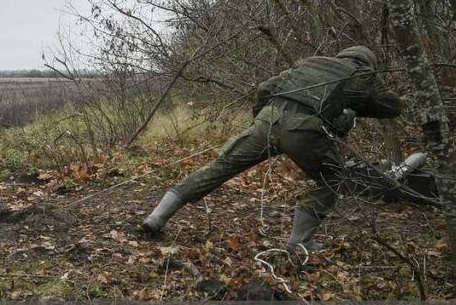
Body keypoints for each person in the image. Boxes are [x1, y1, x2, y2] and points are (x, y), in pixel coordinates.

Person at [139, 46, 403, 251]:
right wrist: (356, 108)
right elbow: (390, 106)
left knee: (219, 168)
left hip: (267, 120)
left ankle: (157, 216)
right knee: (333, 178)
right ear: (367, 63)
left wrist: (260, 120)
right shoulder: (361, 75)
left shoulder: (308, 64)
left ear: (342, 55)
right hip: (304, 130)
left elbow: (266, 88)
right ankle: (299, 242)